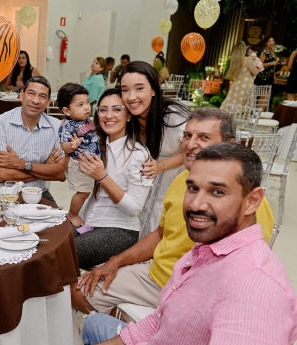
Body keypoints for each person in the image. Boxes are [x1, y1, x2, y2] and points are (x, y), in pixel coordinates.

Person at [0, 143, 297, 345]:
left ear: (252, 201)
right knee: (96, 323)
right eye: (193, 188)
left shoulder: (254, 286)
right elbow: (159, 322)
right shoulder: (207, 250)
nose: (196, 204)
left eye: (217, 192)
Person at [74, 108, 274, 315]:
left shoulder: (246, 199)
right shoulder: (182, 179)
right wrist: (116, 261)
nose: (191, 144)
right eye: (187, 135)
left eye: (204, 137)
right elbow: (161, 234)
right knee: (80, 290)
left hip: (194, 292)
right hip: (155, 276)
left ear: (229, 144)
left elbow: (244, 266)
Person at [71, 88, 153, 268]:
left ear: (129, 115)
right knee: (49, 240)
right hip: (88, 221)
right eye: (103, 110)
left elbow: (134, 209)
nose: (109, 116)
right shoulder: (95, 145)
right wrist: (68, 155)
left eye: (117, 109)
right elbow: (78, 185)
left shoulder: (138, 154)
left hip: (120, 230)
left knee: (64, 253)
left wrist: (103, 177)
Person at [120, 61, 189, 238]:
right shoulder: (127, 119)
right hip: (141, 202)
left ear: (153, 90)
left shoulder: (174, 118)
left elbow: (194, 152)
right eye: (125, 90)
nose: (131, 97)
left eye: (139, 88)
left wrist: (161, 166)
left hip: (172, 200)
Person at [0, 76, 65, 204]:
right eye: (31, 93)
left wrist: (20, 164)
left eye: (42, 96)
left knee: (61, 217)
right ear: (22, 95)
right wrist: (45, 168)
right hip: (4, 193)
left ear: (48, 102)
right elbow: (2, 175)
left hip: (39, 192)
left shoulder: (57, 127)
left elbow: (60, 174)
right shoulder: (2, 122)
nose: (35, 100)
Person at [57, 83, 101, 227]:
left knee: (92, 190)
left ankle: (86, 212)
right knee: (83, 192)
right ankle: (73, 214)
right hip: (79, 165)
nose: (87, 107)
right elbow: (64, 145)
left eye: (87, 102)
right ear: (67, 110)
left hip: (91, 162)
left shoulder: (86, 119)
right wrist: (71, 145)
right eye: (80, 105)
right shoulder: (68, 126)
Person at [220, 41, 260, 111]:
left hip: (236, 85)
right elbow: (255, 72)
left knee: (233, 104)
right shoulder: (247, 60)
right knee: (245, 108)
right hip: (247, 85)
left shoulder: (235, 61)